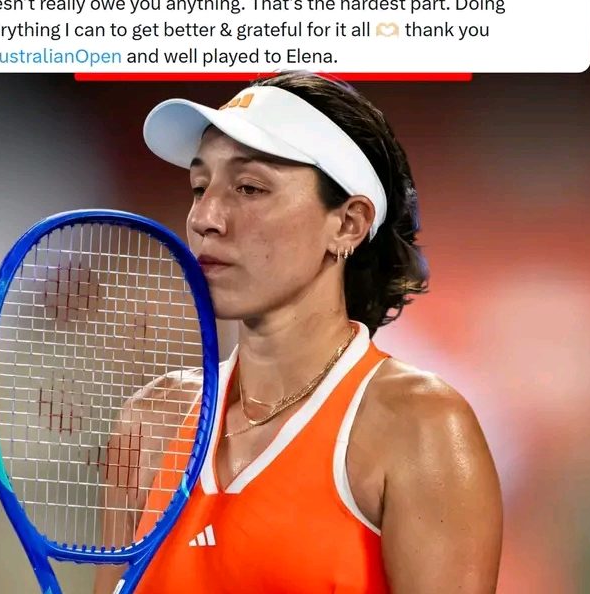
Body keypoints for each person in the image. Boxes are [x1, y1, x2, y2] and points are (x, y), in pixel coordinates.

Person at [94, 71, 503, 593]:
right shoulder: (152, 420)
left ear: (348, 224)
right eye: (199, 187)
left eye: (249, 188)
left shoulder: (419, 425)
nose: (204, 217)